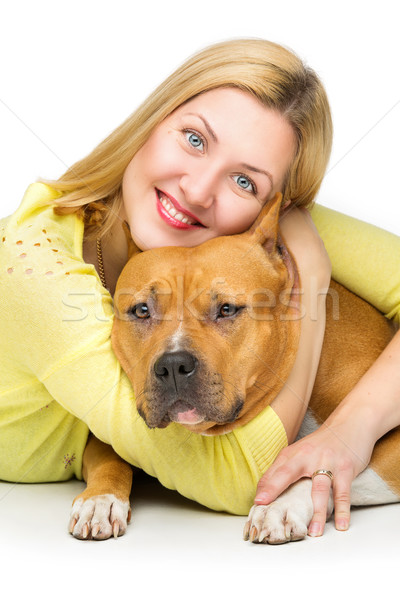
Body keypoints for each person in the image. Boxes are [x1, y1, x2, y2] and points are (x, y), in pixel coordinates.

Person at [0, 39, 399, 532]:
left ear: (276, 207)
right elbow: (237, 482)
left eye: (245, 180)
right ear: (152, 119)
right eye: (194, 138)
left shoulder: (258, 231)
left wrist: (350, 431)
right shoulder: (30, 264)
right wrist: (311, 282)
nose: (197, 189)